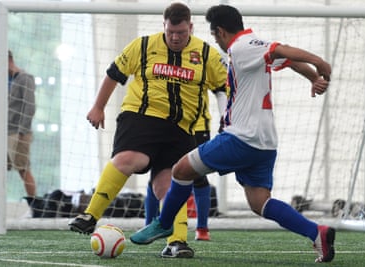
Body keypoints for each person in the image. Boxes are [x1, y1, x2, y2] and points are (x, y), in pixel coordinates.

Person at [129, 4, 336, 263]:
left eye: (215, 36)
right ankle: (317, 233)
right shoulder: (253, 47)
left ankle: (165, 223)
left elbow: (281, 50)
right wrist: (312, 78)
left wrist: (319, 63)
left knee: (181, 170)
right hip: (265, 143)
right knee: (259, 202)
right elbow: (289, 60)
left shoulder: (242, 46)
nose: (216, 41)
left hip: (242, 138)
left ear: (221, 31)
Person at [68, 2, 227, 258]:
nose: (175, 38)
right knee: (132, 159)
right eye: (170, 32)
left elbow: (222, 86)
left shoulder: (206, 54)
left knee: (170, 183)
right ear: (163, 26)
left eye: (182, 33)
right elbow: (113, 74)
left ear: (191, 28)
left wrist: (227, 118)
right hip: (141, 117)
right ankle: (90, 215)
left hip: (182, 128)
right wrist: (98, 107)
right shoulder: (142, 46)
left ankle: (177, 243)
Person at [145, 89, 225, 241]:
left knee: (198, 176)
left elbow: (221, 88)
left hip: (197, 126)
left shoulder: (208, 63)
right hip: (164, 122)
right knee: (159, 172)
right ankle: (149, 224)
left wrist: (225, 116)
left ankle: (202, 228)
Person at [0, 50, 37, 197]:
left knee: (23, 169)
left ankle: (34, 205)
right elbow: (11, 106)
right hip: (5, 131)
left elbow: (29, 106)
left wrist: (22, 131)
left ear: (9, 60)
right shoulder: (6, 81)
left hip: (19, 132)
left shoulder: (24, 78)